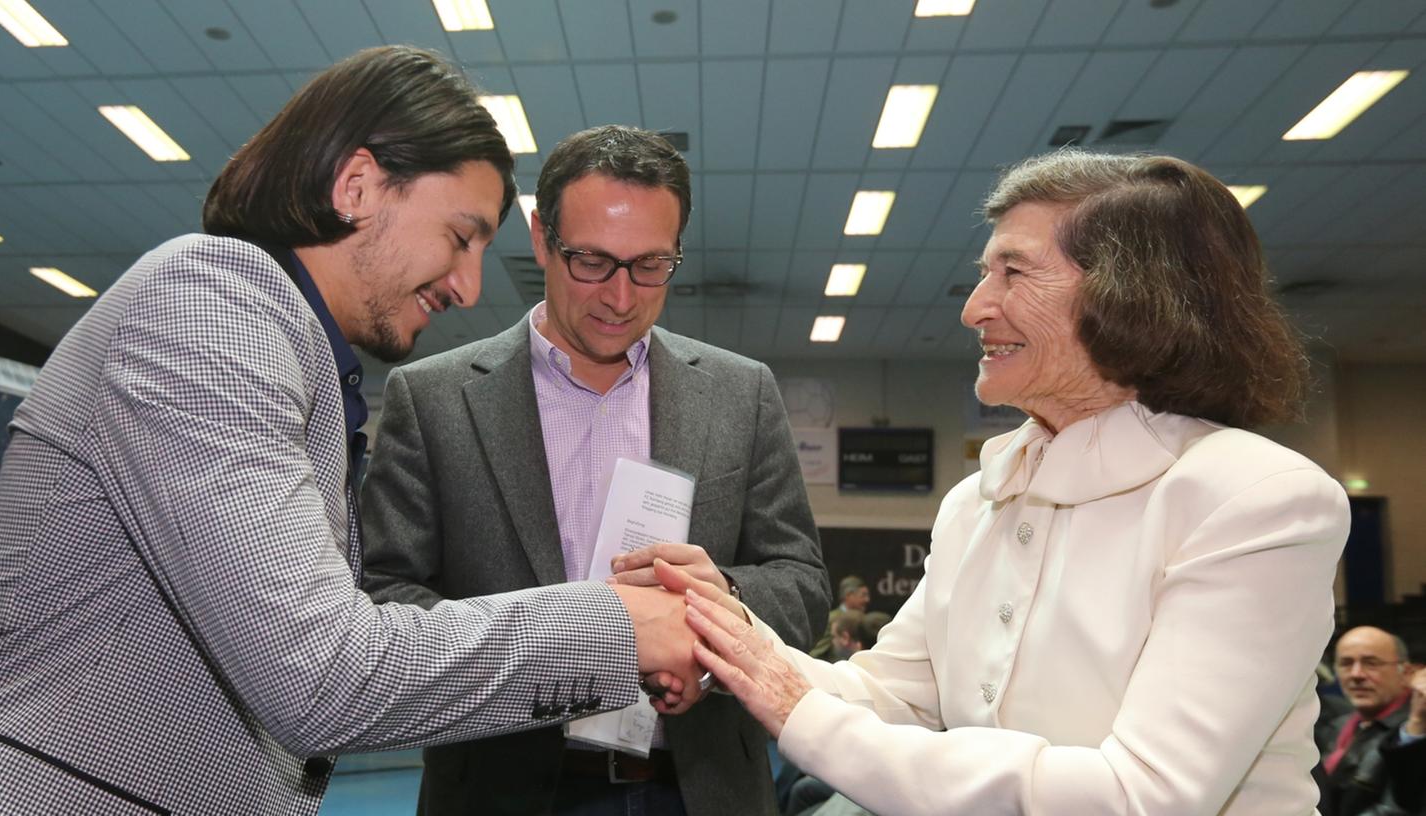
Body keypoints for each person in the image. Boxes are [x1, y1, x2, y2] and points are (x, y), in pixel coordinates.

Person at [0, 47, 703, 816]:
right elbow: (321, 674)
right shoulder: (210, 306)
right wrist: (612, 624)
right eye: (460, 238)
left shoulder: (291, 350)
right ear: (356, 185)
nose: (466, 286)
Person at [668, 147, 1355, 815]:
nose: (974, 308)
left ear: (1134, 297)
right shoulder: (979, 499)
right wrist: (725, 623)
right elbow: (889, 696)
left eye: (1014, 273)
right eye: (984, 273)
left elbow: (1144, 796)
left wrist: (799, 712)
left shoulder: (1259, 498)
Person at [359, 124, 828, 816]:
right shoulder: (433, 399)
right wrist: (572, 646)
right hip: (502, 789)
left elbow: (802, 583)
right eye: (593, 263)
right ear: (542, 237)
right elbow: (383, 597)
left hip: (697, 790)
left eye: (651, 266)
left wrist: (714, 615)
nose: (620, 297)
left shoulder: (740, 393)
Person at [1316, 626, 1426, 816]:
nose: (1356, 674)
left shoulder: (1415, 732)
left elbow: (1402, 808)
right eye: (1346, 663)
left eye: (1371, 663)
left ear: (1406, 672)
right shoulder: (1335, 725)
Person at [809, 575, 870, 660]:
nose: (867, 600)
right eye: (863, 595)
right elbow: (818, 652)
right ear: (849, 595)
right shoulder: (831, 619)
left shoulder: (865, 619)